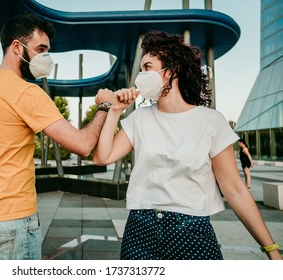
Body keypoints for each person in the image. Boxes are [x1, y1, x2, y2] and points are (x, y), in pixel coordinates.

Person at [0, 14, 126, 260]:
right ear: (17, 47)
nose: (46, 59)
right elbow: (83, 145)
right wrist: (105, 107)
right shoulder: (26, 92)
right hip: (14, 222)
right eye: (41, 49)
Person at [93, 30, 282, 260]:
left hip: (192, 233)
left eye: (148, 67)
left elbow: (234, 190)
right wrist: (114, 112)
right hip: (140, 232)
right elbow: (102, 157)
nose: (140, 76)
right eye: (140, 69)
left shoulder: (210, 121)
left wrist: (271, 250)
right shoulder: (139, 118)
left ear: (171, 69)